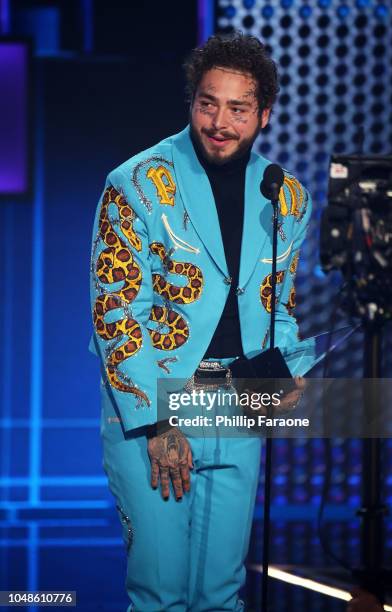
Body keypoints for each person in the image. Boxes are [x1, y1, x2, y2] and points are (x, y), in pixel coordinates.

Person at [89, 32, 311, 612]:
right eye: (208, 103)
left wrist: (287, 367)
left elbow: (277, 304)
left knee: (221, 594)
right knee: (160, 596)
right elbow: (116, 313)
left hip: (239, 401)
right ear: (191, 102)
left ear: (263, 114)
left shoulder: (285, 196)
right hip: (158, 403)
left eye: (238, 108)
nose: (220, 121)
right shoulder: (135, 184)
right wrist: (159, 423)